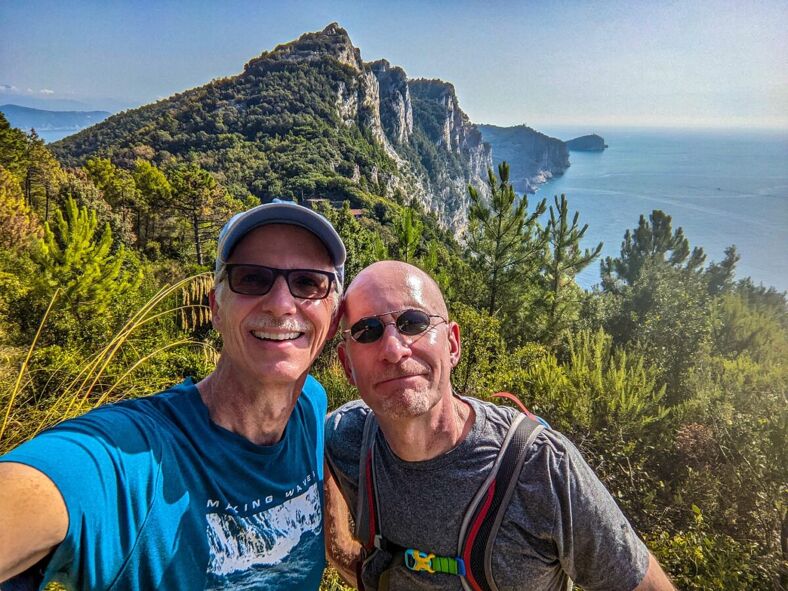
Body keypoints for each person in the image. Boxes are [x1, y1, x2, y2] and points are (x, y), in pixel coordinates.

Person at [0, 202, 346, 590]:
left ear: (333, 320)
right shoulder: (133, 456)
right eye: (251, 278)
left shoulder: (311, 407)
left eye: (307, 283)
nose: (282, 304)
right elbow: (44, 487)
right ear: (216, 309)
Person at [324, 260, 675, 591]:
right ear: (347, 365)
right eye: (366, 331)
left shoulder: (542, 468)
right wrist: (347, 555)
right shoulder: (343, 437)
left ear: (452, 344)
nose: (394, 349)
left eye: (413, 323)